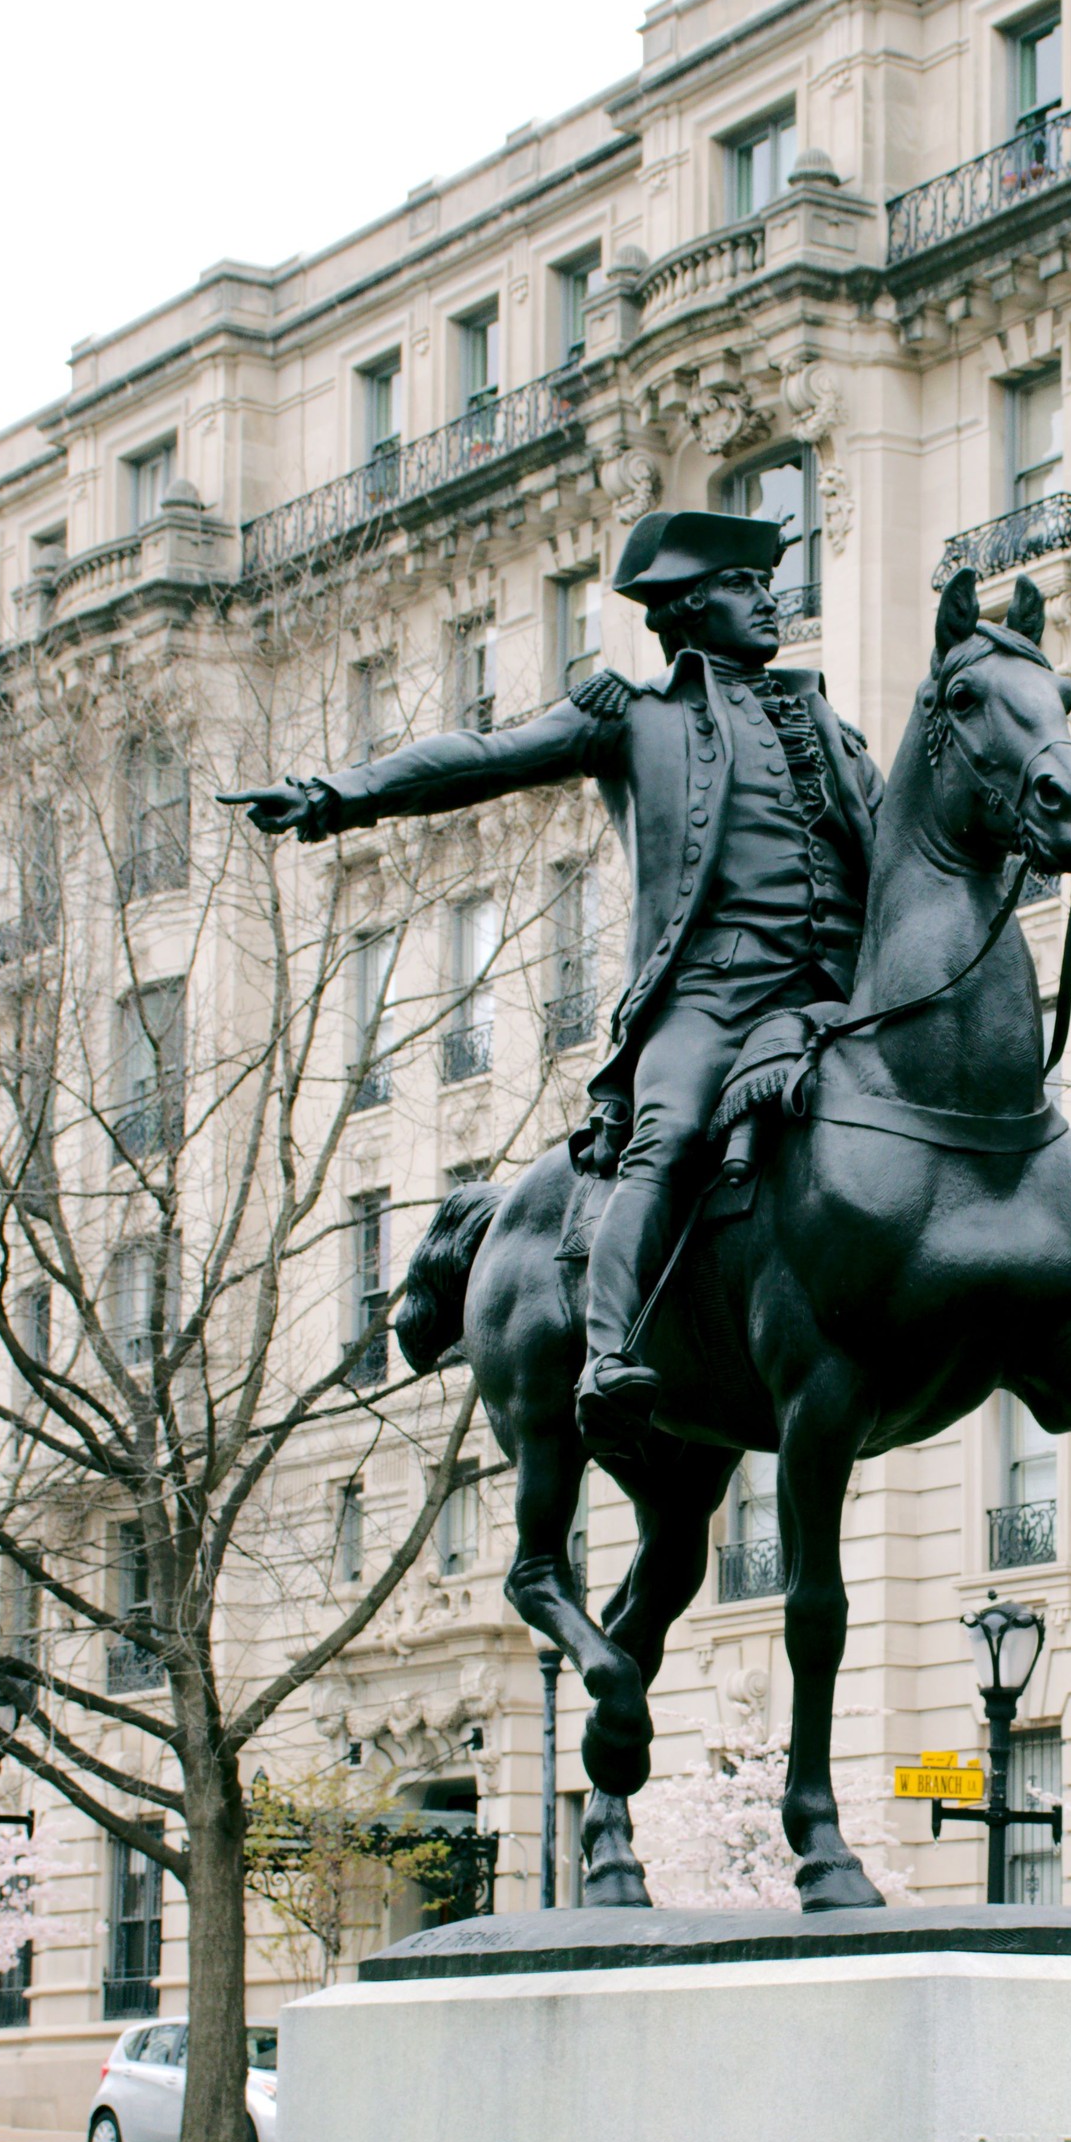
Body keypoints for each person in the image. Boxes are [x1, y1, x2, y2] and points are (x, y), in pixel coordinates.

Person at [221, 509, 880, 1449]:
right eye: (743, 588)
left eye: (766, 585)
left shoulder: (823, 722)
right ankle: (611, 1352)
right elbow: (482, 762)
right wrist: (335, 797)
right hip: (712, 995)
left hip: (832, 997)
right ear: (690, 609)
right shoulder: (635, 717)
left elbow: (897, 840)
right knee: (669, 1136)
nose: (768, 601)